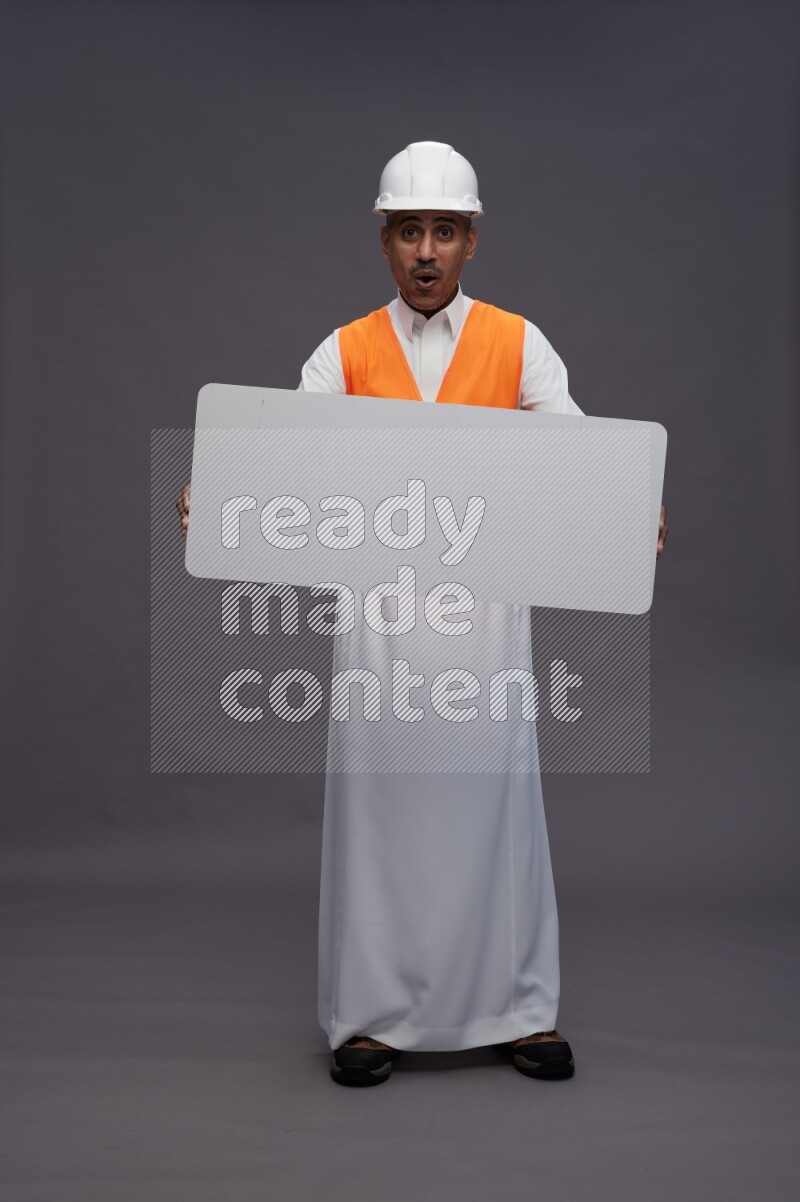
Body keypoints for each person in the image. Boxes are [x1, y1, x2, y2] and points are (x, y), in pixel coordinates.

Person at [177, 141, 668, 1088]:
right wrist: (223, 492)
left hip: (489, 626)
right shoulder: (346, 350)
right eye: (410, 231)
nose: (428, 250)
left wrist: (627, 505)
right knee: (381, 814)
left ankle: (519, 1010)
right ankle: (369, 1018)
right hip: (379, 629)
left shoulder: (519, 344)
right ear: (385, 241)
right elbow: (287, 457)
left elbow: (577, 451)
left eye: (445, 230)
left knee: (497, 809)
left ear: (472, 241)